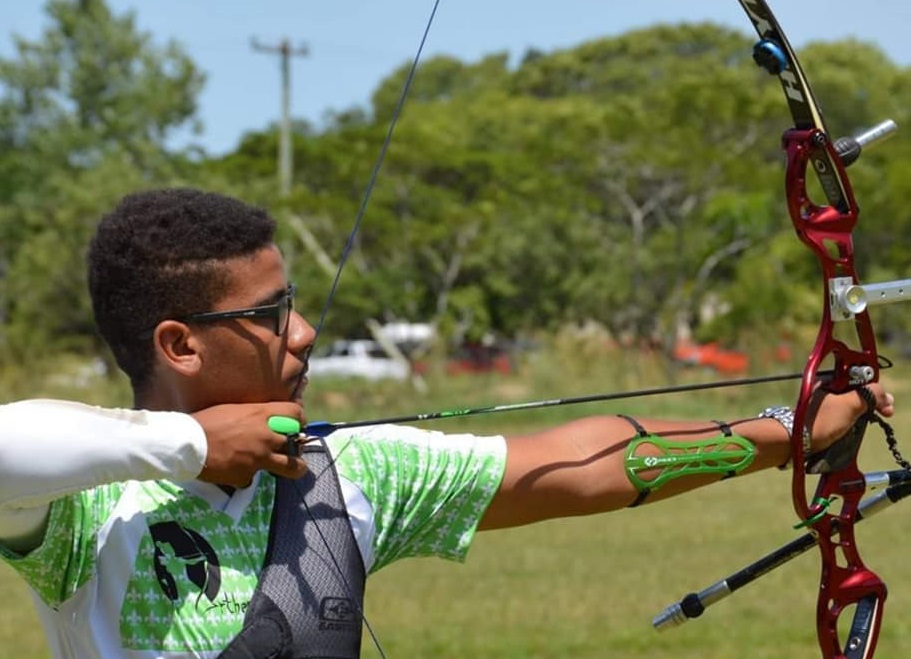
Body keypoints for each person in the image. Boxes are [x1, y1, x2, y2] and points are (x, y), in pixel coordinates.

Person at [0, 188, 894, 659]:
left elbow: (580, 462)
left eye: (295, 304)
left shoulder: (344, 474)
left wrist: (794, 423)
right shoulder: (84, 511)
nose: (303, 333)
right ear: (179, 345)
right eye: (270, 315)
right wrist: (195, 446)